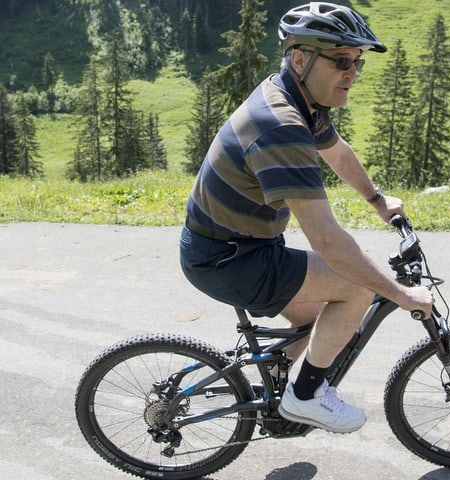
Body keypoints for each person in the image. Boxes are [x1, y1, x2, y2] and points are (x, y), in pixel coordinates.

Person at [180, 2, 434, 434]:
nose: (352, 71)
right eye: (341, 61)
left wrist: (377, 199)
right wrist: (400, 293)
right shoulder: (281, 125)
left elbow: (336, 152)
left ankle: (272, 396)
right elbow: (327, 240)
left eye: (357, 62)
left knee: (320, 317)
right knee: (354, 289)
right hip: (229, 258)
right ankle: (305, 397)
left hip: (239, 246)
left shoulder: (299, 99)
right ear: (300, 59)